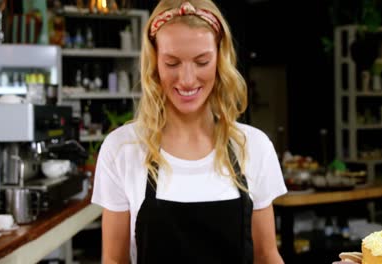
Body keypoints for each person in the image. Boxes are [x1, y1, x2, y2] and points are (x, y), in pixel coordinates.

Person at [91, 0, 287, 263]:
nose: (186, 79)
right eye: (172, 63)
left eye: (202, 61)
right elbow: (114, 260)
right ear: (154, 63)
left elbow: (266, 256)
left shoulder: (253, 146)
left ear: (220, 60)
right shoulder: (122, 149)